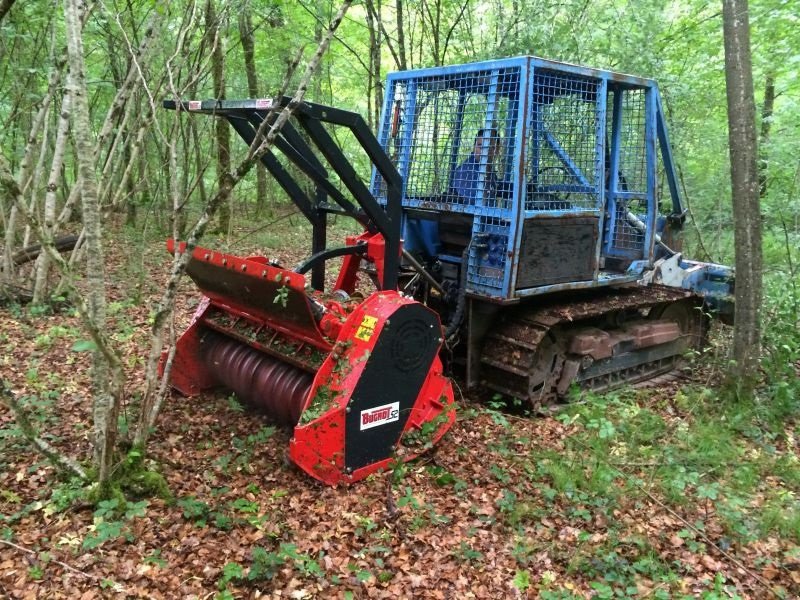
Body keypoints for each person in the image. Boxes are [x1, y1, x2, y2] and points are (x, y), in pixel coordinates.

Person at [451, 128, 509, 205]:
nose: (484, 152)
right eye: (480, 146)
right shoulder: (466, 170)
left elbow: (497, 187)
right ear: (474, 147)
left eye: (491, 147)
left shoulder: (487, 169)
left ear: (497, 150)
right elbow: (476, 203)